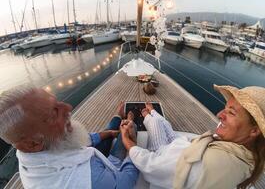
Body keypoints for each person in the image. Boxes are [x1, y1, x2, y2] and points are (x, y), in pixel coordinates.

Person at [120, 84, 265, 189]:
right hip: (184, 147)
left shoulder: (209, 164)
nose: (219, 115)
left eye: (231, 112)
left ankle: (147, 114)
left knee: (156, 124)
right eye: (225, 108)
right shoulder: (245, 158)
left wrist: (129, 142)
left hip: (163, 153)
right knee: (163, 124)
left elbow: (151, 165)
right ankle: (150, 113)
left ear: (254, 131)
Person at [0, 85, 139, 189]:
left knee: (111, 129)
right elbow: (124, 183)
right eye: (54, 113)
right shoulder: (88, 180)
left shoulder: (33, 150)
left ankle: (118, 118)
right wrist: (133, 144)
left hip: (89, 159)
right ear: (32, 144)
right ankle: (126, 121)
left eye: (57, 102)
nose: (68, 108)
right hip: (107, 170)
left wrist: (109, 133)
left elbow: (85, 140)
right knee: (128, 128)